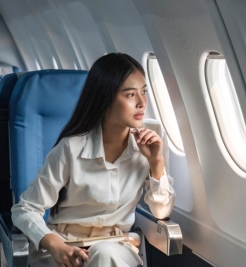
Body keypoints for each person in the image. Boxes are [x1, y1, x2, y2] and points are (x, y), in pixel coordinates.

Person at [11, 53, 176, 267]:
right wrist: (55, 245)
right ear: (105, 100)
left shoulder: (152, 142)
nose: (142, 103)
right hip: (65, 247)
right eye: (130, 95)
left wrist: (156, 163)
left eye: (144, 92)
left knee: (105, 254)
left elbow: (161, 212)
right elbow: (25, 209)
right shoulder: (71, 149)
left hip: (117, 247)